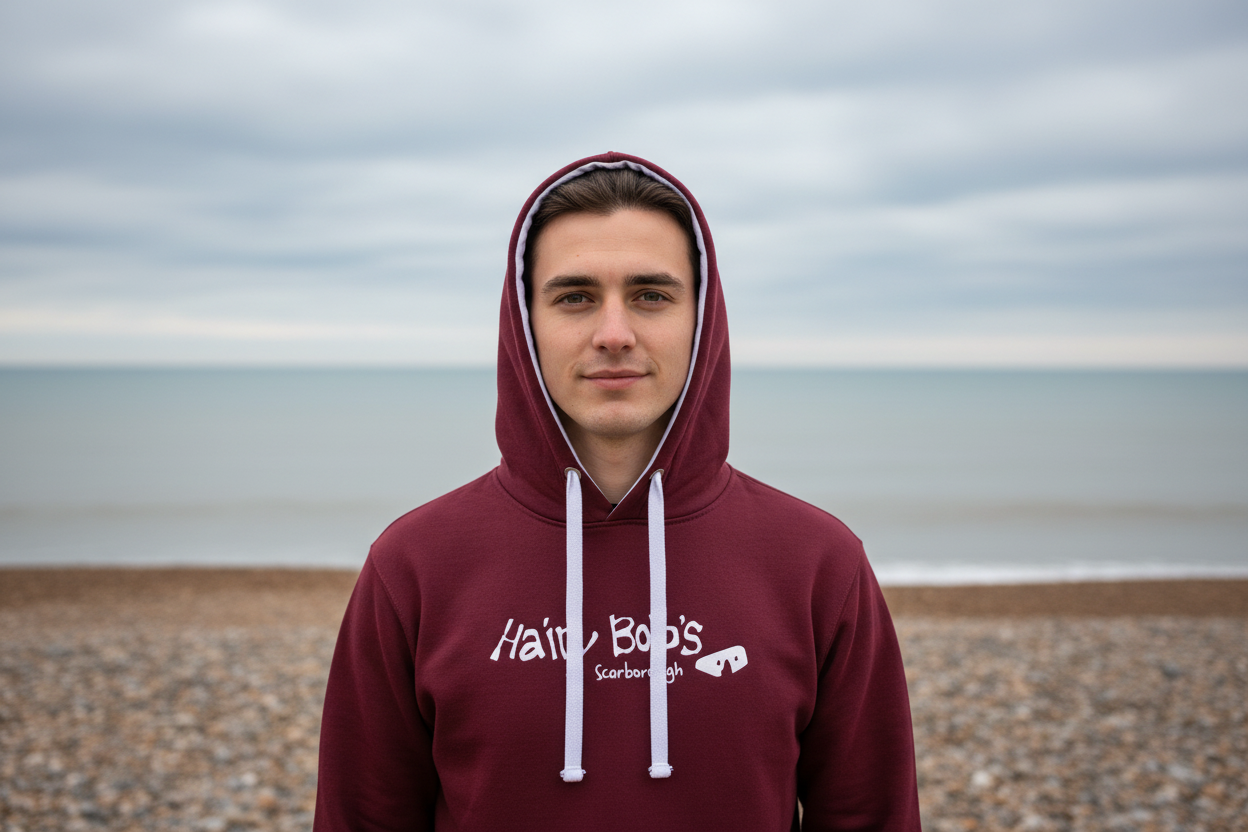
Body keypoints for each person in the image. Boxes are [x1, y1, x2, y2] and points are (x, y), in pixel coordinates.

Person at [314, 152, 921, 831]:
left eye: (651, 296)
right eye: (574, 297)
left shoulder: (816, 562)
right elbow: (360, 816)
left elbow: (872, 815)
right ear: (524, 323)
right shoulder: (416, 565)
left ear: (702, 319)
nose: (613, 334)